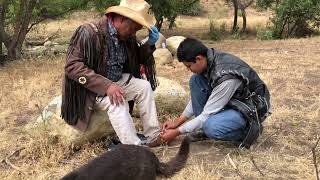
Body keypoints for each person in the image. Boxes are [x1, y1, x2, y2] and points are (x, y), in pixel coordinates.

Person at [61, 0, 164, 147]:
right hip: (91, 89)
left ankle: (153, 137)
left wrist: (150, 44)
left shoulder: (126, 36)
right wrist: (106, 86)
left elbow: (137, 59)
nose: (134, 33)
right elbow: (72, 67)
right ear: (121, 19)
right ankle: (134, 149)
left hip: (115, 81)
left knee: (144, 87)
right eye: (134, 29)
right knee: (117, 101)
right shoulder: (88, 32)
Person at [161, 38, 271, 149]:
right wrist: (178, 121)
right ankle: (202, 129)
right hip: (234, 100)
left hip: (250, 109)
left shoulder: (226, 77)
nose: (188, 70)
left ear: (198, 58)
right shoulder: (209, 60)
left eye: (189, 66)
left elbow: (206, 115)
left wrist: (176, 132)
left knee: (211, 127)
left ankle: (249, 131)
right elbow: (197, 96)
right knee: (196, 80)